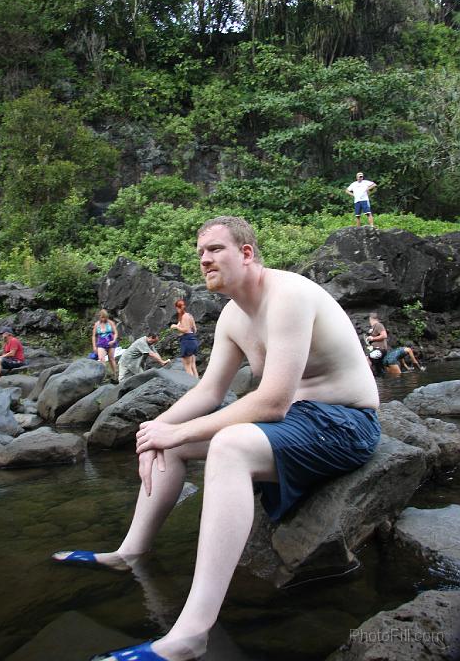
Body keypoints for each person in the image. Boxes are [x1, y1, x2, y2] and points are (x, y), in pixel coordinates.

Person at [53, 216, 380, 661]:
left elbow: (272, 403)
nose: (204, 258)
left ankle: (190, 634)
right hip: (297, 422)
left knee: (228, 446)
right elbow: (208, 391)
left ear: (246, 253)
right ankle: (129, 552)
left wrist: (181, 430)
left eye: (215, 249)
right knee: (166, 444)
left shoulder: (289, 295)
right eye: (200, 251)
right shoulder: (232, 315)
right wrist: (153, 433)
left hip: (344, 422)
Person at [171, 299, 199, 378]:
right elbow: (195, 329)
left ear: (177, 308)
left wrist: (176, 327)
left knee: (187, 366)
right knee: (193, 366)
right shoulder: (189, 315)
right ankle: (198, 384)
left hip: (187, 341)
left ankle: (192, 386)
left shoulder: (184, 317)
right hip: (193, 341)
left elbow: (186, 330)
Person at [92, 309, 118, 379]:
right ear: (100, 317)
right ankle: (104, 375)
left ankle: (115, 374)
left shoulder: (111, 323)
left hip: (111, 342)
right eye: (102, 317)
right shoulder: (97, 324)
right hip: (101, 343)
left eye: (105, 317)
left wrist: (114, 340)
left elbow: (115, 332)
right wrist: (94, 346)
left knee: (111, 359)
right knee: (101, 359)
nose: (103, 319)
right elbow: (94, 336)